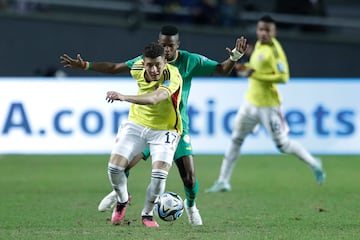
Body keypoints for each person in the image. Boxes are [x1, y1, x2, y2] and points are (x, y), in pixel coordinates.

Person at [60, 25, 248, 226]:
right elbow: (115, 68)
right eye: (163, 45)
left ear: (178, 45)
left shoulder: (188, 62)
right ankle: (120, 196)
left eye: (170, 46)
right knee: (123, 164)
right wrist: (87, 65)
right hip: (146, 124)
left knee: (189, 179)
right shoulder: (146, 62)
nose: (166, 49)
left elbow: (221, 69)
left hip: (175, 125)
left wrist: (235, 56)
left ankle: (191, 206)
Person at [205, 15, 326, 193]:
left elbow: (284, 77)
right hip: (250, 102)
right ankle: (223, 181)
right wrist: (244, 69)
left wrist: (253, 74)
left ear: (274, 32)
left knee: (282, 145)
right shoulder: (259, 46)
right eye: (261, 29)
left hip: (269, 106)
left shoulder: (276, 52)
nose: (263, 33)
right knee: (236, 138)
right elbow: (255, 69)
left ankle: (314, 163)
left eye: (267, 30)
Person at [102, 42, 182, 227]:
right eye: (149, 65)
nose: (154, 70)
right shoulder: (136, 68)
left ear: (165, 62)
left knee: (159, 175)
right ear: (143, 63)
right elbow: (114, 67)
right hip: (136, 124)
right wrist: (86, 65)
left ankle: (147, 214)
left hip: (165, 130)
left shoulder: (173, 74)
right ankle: (122, 200)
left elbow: (155, 99)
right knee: (114, 167)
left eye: (158, 65)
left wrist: (123, 97)